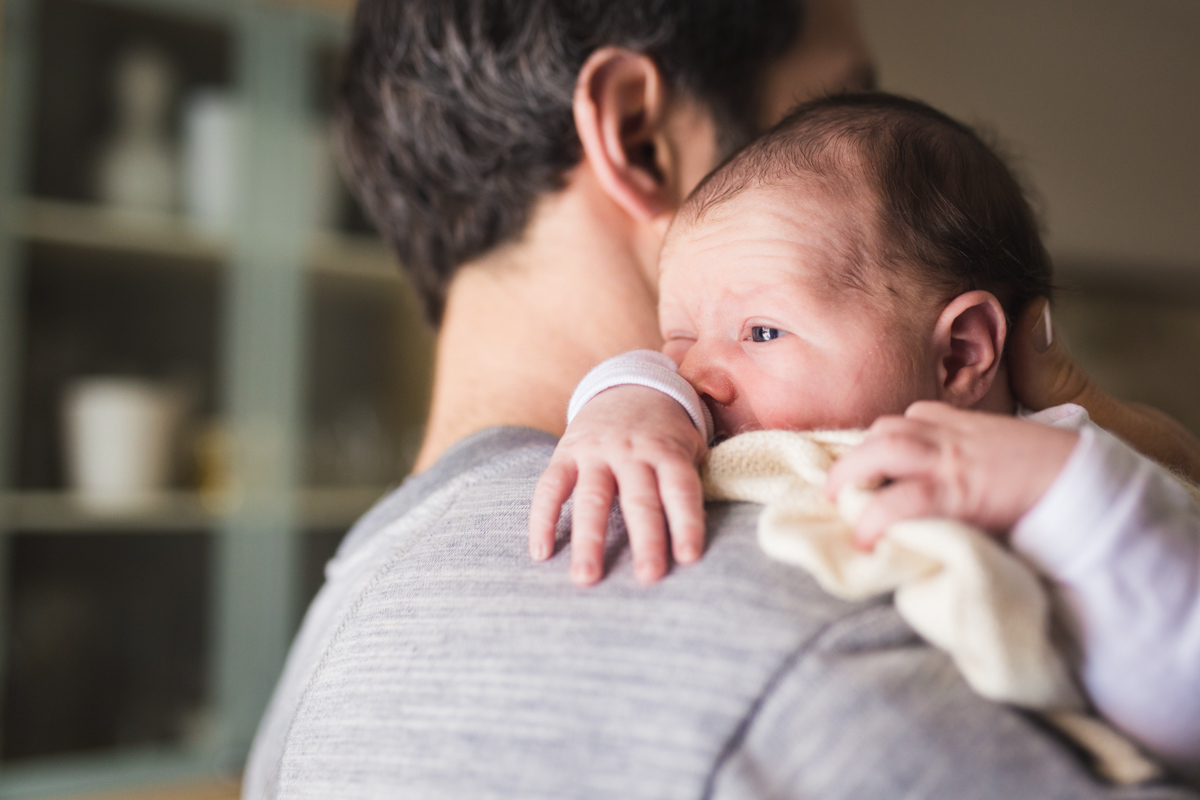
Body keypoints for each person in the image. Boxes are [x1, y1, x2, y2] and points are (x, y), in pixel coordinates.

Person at [243, 0, 1200, 797]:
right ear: (636, 133)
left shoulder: (327, 638)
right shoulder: (841, 614)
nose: (700, 375)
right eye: (830, 103)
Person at [527, 92, 1200, 780]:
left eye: (761, 332)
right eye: (678, 336)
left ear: (960, 355)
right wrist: (629, 401)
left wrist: (1082, 499)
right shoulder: (712, 414)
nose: (698, 374)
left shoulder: (1057, 468)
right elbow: (661, 386)